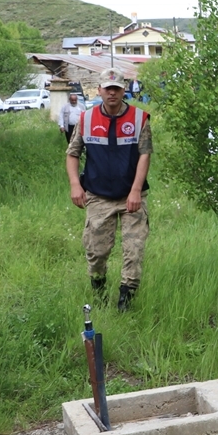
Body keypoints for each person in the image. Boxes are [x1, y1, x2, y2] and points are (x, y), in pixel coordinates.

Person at [66, 68, 152, 312]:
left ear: (124, 90)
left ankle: (126, 300)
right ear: (99, 90)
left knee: (133, 250)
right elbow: (72, 153)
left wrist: (136, 190)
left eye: (116, 88)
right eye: (107, 88)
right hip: (97, 195)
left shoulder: (139, 119)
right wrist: (75, 184)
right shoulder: (86, 119)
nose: (112, 93)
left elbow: (145, 155)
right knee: (96, 251)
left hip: (131, 196)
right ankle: (99, 288)